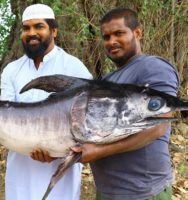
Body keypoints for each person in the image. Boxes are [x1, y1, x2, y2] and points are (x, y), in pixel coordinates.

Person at [0, 3, 93, 200]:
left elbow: (87, 126)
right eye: (26, 28)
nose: (31, 33)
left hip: (60, 178)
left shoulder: (74, 68)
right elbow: (6, 120)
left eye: (39, 26)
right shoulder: (12, 70)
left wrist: (57, 153)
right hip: (21, 173)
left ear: (54, 31)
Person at [71, 8, 179, 199]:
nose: (111, 41)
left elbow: (158, 127)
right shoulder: (106, 80)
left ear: (137, 33)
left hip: (142, 192)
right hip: (107, 191)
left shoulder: (153, 67)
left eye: (119, 33)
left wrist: (99, 151)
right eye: (106, 36)